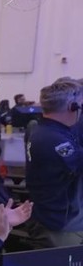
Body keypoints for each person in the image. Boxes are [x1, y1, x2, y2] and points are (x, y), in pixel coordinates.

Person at [26, 78, 83, 246]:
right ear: (72, 107)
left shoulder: (51, 130)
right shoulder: (54, 140)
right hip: (62, 223)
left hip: (58, 214)